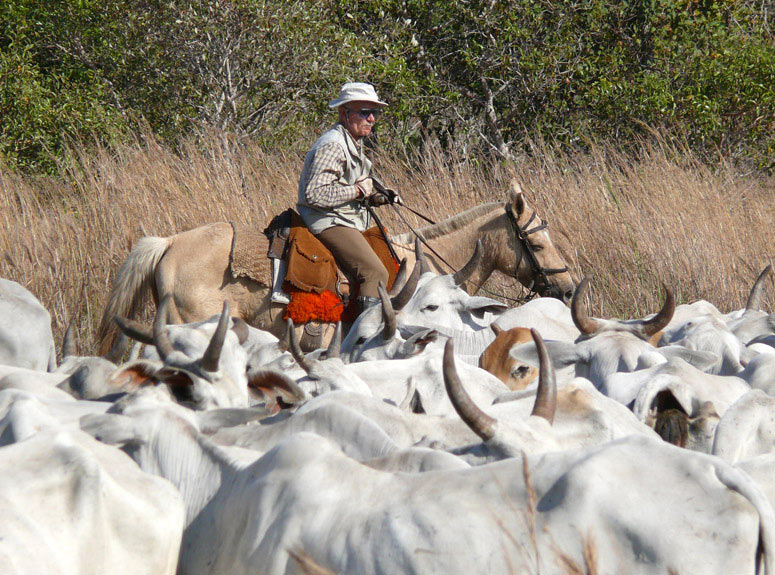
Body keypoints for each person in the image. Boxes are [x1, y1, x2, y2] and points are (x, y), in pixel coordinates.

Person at [297, 82, 398, 313]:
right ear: (344, 113)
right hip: (327, 220)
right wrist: (358, 190)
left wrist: (378, 196)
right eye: (364, 112)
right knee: (376, 273)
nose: (371, 118)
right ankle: (364, 337)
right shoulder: (333, 145)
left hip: (342, 217)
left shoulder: (352, 141)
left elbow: (347, 187)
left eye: (375, 113)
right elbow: (314, 194)